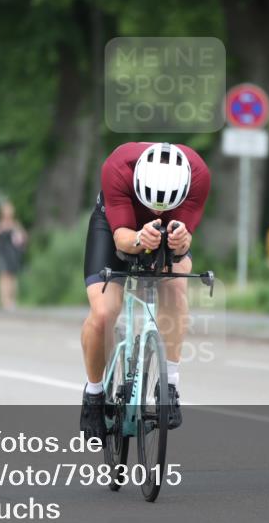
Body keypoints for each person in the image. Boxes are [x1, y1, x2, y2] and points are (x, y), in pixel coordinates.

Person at [80, 142, 211, 440]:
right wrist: (140, 237)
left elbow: (186, 241)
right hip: (119, 226)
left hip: (166, 230)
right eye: (152, 204)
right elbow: (122, 239)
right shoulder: (117, 167)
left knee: (176, 287)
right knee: (103, 313)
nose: (156, 210)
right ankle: (94, 393)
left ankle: (170, 386)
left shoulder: (199, 174)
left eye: (163, 205)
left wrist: (181, 242)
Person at [0, 201, 27, 310]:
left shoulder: (15, 224)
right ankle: (4, 300)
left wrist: (18, 231)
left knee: (12, 277)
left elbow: (24, 238)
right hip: (2, 253)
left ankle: (12, 299)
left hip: (13, 253)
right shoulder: (0, 225)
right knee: (4, 276)